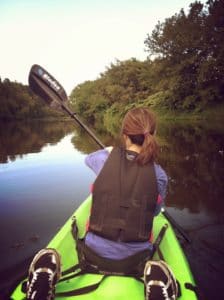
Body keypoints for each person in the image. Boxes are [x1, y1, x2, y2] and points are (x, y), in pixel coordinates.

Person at [25, 107, 178, 300]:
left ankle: (44, 283)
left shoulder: (103, 159)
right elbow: (154, 212)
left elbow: (88, 159)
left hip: (92, 255)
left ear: (125, 135)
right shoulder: (160, 175)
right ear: (152, 134)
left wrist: (110, 151)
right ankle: (156, 288)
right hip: (136, 261)